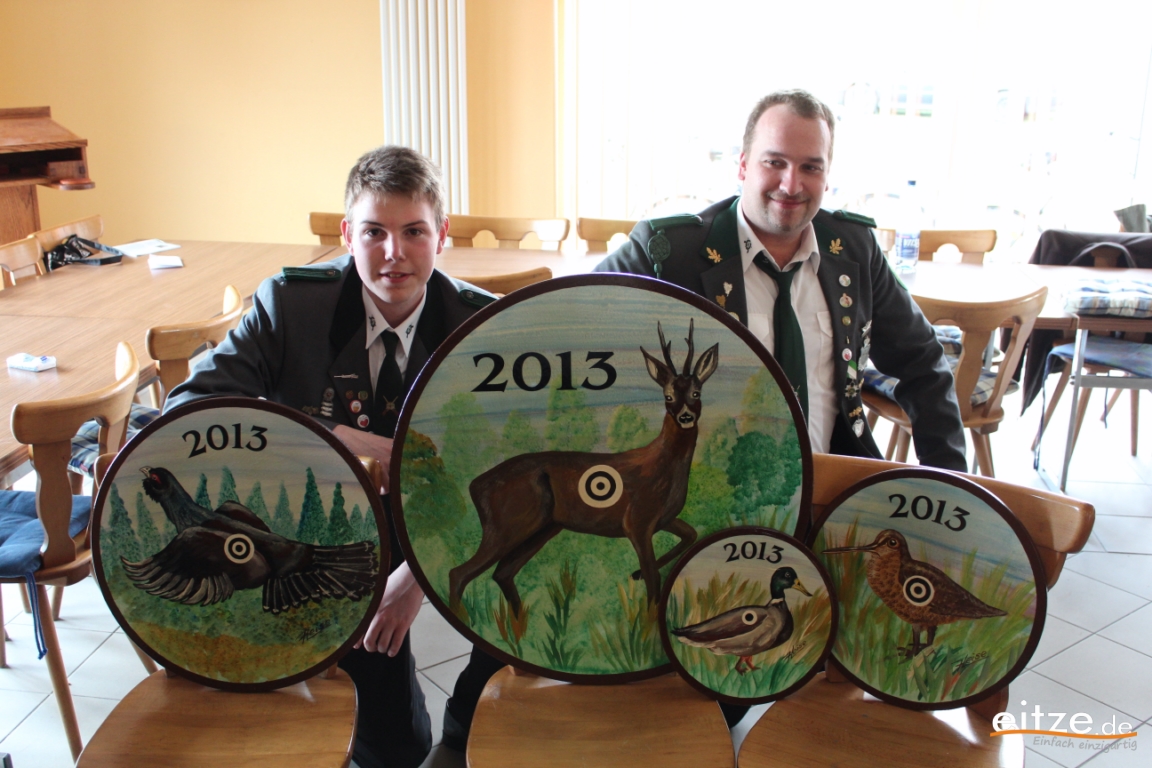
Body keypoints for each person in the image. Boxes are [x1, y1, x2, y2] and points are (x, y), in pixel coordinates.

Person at [166, 146, 504, 768]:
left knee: (533, 584)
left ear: (442, 235)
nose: (393, 253)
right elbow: (189, 409)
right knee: (392, 744)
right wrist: (342, 439)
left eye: (414, 231)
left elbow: (511, 464)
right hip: (325, 533)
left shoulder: (483, 326)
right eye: (374, 232)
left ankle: (463, 728)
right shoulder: (290, 305)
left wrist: (418, 575)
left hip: (448, 523)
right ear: (347, 236)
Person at [595, 89, 967, 472]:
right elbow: (571, 324)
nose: (791, 185)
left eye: (811, 168)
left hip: (835, 485)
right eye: (775, 162)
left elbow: (923, 361)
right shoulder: (668, 253)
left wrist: (951, 482)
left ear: (827, 175)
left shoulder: (855, 250)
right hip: (709, 491)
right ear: (743, 165)